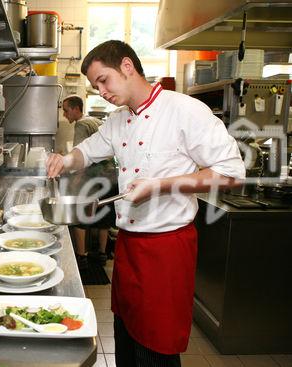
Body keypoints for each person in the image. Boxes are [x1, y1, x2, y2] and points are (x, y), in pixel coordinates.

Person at [46, 40, 245, 367]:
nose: (101, 91)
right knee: (127, 341)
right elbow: (90, 149)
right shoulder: (118, 119)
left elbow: (231, 173)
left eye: (103, 80)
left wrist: (159, 186)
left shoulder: (184, 110)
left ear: (127, 66)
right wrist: (64, 160)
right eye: (95, 86)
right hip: (128, 247)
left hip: (167, 249)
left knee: (157, 350)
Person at [62, 95, 115, 270]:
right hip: (109, 177)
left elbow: (82, 158)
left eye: (66, 110)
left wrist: (75, 180)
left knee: (80, 215)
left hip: (93, 177)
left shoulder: (81, 124)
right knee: (104, 216)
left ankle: (82, 257)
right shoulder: (95, 121)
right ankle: (102, 254)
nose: (64, 115)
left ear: (76, 109)